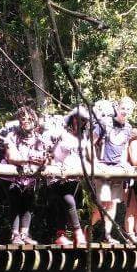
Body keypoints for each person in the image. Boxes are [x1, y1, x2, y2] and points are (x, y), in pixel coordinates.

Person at [1, 106, 50, 244]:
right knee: (15, 202)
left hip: (30, 176)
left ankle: (24, 234)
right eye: (23, 119)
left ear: (34, 121)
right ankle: (15, 235)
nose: (26, 121)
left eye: (29, 119)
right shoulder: (12, 136)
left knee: (28, 203)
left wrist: (44, 161)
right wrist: (28, 160)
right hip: (13, 174)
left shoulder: (39, 139)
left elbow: (45, 156)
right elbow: (11, 156)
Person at [89, 97, 135, 243]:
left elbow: (124, 147)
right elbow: (90, 142)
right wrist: (95, 162)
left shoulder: (128, 128)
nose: (125, 111)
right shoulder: (105, 123)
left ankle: (107, 236)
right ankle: (87, 230)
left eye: (128, 109)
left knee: (113, 203)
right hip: (103, 168)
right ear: (118, 108)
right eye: (123, 108)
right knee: (102, 204)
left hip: (117, 170)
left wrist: (124, 163)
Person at [50, 106, 92, 247]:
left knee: (65, 205)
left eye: (84, 120)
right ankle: (78, 233)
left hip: (75, 176)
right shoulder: (62, 134)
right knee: (69, 202)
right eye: (78, 118)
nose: (80, 122)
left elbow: (84, 157)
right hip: (59, 175)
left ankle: (61, 235)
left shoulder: (84, 138)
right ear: (73, 118)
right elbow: (54, 154)